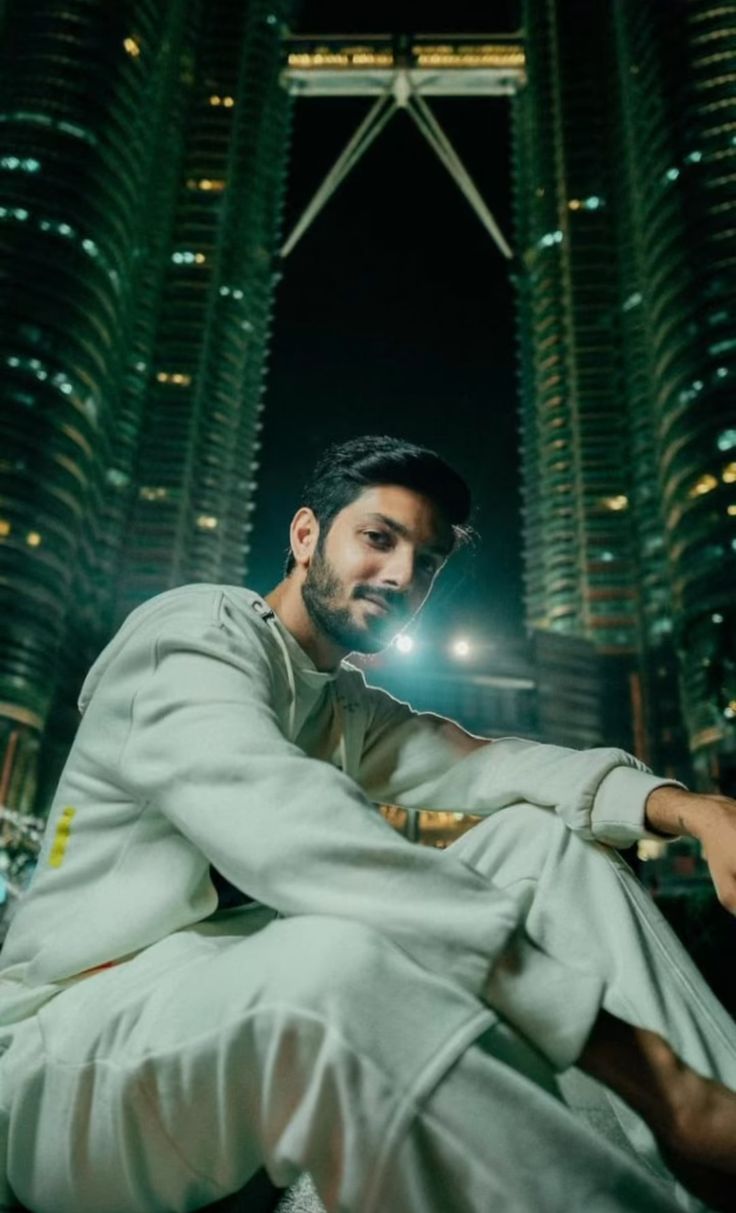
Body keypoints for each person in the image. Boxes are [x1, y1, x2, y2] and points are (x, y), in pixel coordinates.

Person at [1, 434, 735, 1213]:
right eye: (378, 539)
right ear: (307, 534)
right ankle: (678, 1106)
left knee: (538, 843)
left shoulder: (341, 702)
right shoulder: (189, 637)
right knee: (333, 959)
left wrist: (693, 808)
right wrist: (644, 1069)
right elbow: (294, 831)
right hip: (70, 1057)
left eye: (425, 565)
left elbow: (486, 763)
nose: (399, 577)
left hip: (226, 1033)